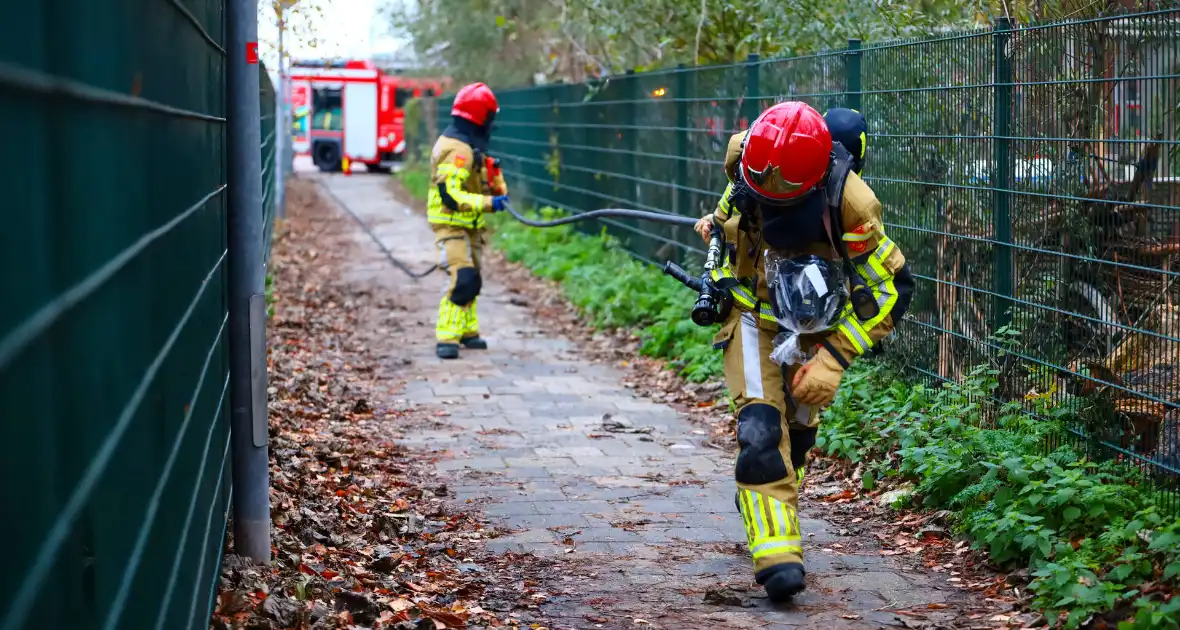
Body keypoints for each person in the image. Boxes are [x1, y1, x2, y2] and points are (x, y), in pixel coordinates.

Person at [691, 102, 914, 601]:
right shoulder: (747, 162)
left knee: (795, 440)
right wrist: (717, 235)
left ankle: (767, 502)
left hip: (815, 330)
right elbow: (727, 220)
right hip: (752, 316)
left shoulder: (851, 203)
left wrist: (833, 358)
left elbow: (891, 290)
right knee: (760, 434)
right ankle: (778, 560)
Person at [427, 83, 509, 360]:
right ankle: (447, 337)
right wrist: (488, 203)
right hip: (451, 224)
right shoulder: (456, 149)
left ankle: (467, 331)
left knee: (473, 279)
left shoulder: (470, 145)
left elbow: (483, 186)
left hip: (470, 224)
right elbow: (451, 195)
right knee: (462, 279)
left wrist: (494, 179)